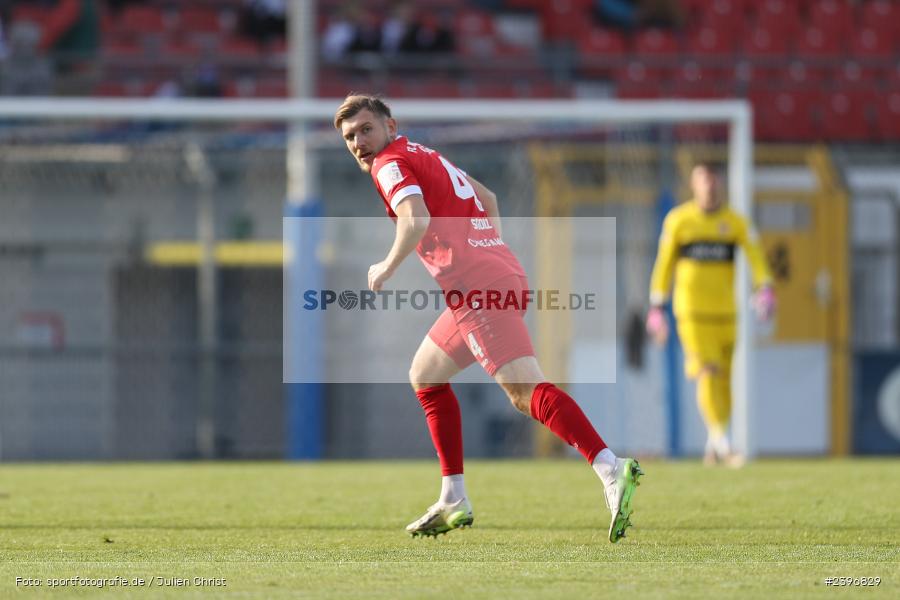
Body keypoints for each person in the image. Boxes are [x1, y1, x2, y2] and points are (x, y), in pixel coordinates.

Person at [334, 94, 643, 543]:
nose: (359, 142)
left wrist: (386, 266)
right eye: (350, 136)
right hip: (492, 279)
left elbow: (415, 220)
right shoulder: (421, 152)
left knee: (525, 392)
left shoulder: (390, 162)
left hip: (479, 291)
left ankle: (610, 466)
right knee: (425, 375)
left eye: (366, 129)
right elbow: (487, 196)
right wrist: (485, 252)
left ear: (389, 126)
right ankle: (453, 496)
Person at [646, 163, 775, 467]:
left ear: (721, 183)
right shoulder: (679, 221)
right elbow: (664, 264)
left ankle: (713, 443)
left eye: (714, 179)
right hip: (690, 313)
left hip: (726, 313)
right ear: (694, 184)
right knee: (707, 372)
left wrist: (765, 287)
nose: (710, 186)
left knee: (725, 382)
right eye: (703, 180)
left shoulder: (735, 222)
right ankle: (724, 441)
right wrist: (656, 306)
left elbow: (756, 256)